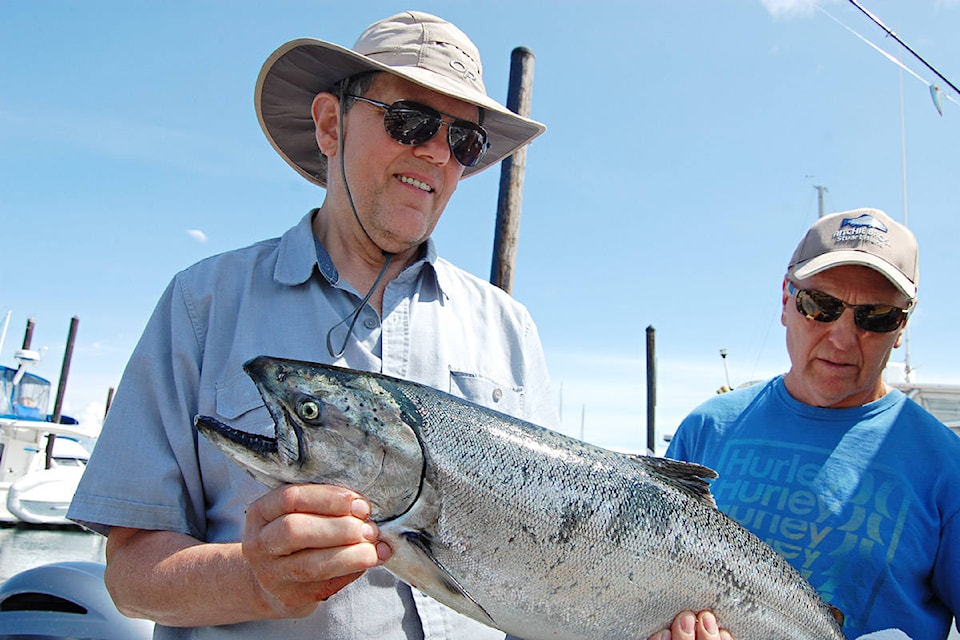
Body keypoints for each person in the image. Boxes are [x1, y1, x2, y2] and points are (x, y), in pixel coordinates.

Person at [68, 11, 558, 640]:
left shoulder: (510, 328)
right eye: (410, 120)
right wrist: (255, 580)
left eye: (463, 141)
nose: (436, 151)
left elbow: (553, 568)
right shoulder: (203, 303)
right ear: (331, 124)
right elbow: (130, 575)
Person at [653, 208, 960, 640]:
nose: (841, 338)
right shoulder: (706, 428)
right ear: (785, 300)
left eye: (875, 317)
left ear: (902, 325)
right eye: (821, 306)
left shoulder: (948, 466)